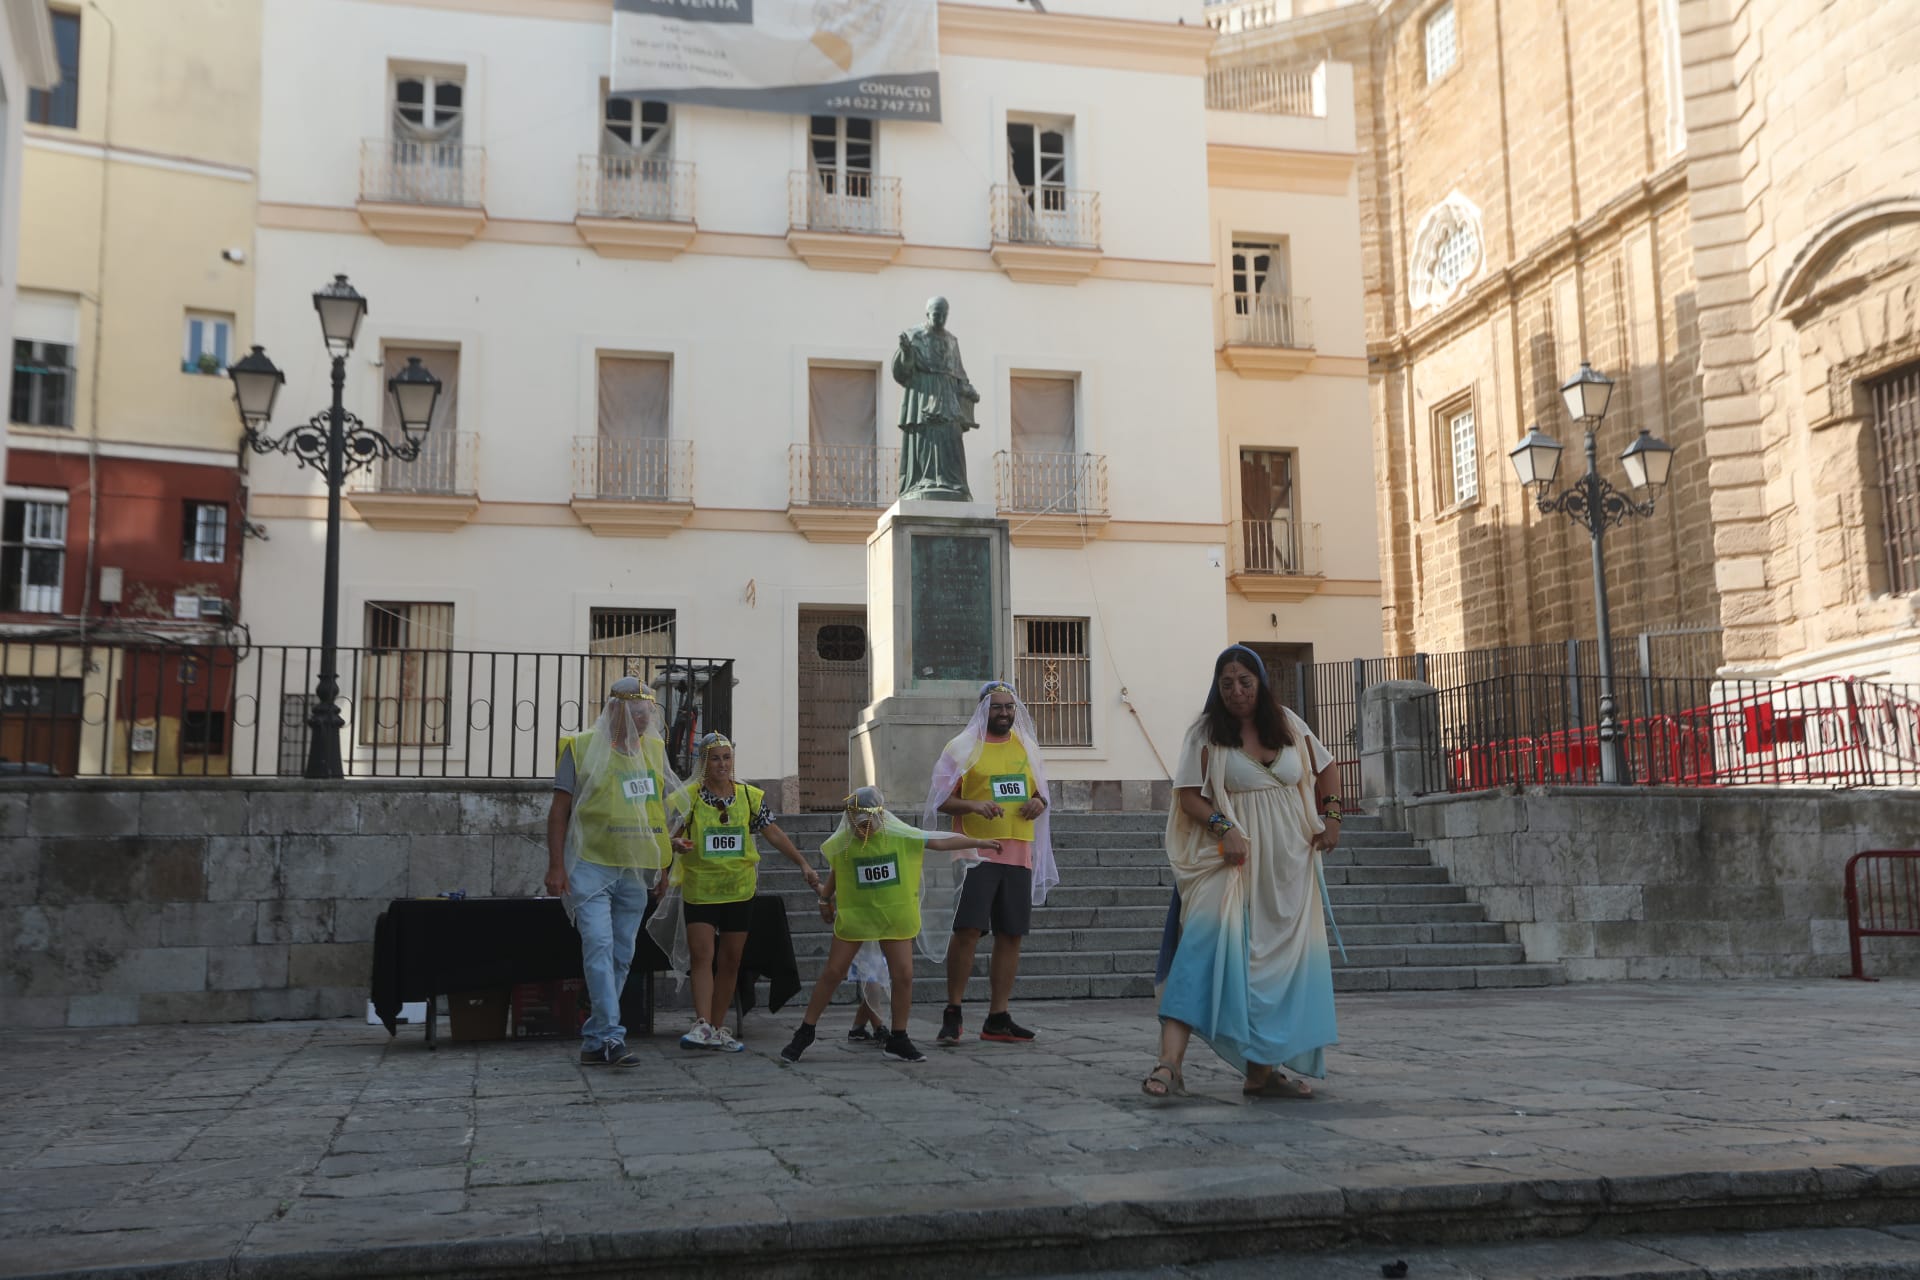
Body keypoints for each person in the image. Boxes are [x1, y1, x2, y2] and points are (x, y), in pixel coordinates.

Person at [1143, 645, 1343, 1101]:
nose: (1236, 691)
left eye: (1245, 682)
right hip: (1230, 863)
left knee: (1273, 971)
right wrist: (1224, 827)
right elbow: (1189, 795)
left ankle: (1260, 1072)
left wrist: (1332, 817)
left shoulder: (1289, 724)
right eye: (1227, 683)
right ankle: (1169, 1063)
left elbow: (1327, 768)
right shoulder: (1205, 733)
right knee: (1197, 952)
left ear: (1261, 683)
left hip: (1288, 869)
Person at [780, 788, 1001, 1065]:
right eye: (857, 824)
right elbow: (839, 871)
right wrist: (824, 899)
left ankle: (899, 1037)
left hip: (893, 917)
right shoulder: (845, 844)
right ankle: (805, 1031)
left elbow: (940, 840)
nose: (863, 830)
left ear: (880, 817)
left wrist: (979, 841)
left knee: (904, 974)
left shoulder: (901, 836)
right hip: (857, 916)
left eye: (867, 823)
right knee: (833, 972)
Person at [651, 732, 823, 1053]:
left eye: (726, 758)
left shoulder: (748, 796)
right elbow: (667, 836)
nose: (722, 764)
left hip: (739, 890)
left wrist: (802, 863)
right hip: (701, 889)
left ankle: (717, 1028)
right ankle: (702, 1024)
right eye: (715, 758)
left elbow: (773, 832)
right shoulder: (689, 798)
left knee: (731, 960)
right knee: (702, 956)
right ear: (704, 763)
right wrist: (672, 850)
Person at [545, 677, 677, 1068]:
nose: (643, 721)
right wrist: (556, 865)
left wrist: (664, 863)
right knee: (599, 945)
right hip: (590, 863)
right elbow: (559, 811)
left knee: (622, 953)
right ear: (615, 711)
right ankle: (612, 1037)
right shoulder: (581, 747)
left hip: (634, 866)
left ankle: (594, 1040)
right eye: (636, 714)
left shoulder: (653, 750)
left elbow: (657, 811)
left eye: (647, 714)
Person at [923, 681, 1059, 1046]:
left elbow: (1040, 793)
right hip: (975, 852)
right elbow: (940, 800)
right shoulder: (961, 747)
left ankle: (998, 1017)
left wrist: (1039, 803)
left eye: (1009, 707)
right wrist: (973, 805)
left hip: (1018, 850)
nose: (1004, 713)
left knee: (1011, 932)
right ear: (983, 710)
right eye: (996, 707)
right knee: (968, 930)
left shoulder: (1027, 746)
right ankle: (953, 1011)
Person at [892, 295, 980, 502]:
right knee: (926, 437)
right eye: (936, 315)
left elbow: (958, 373)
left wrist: (968, 390)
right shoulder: (914, 336)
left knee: (951, 437)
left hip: (948, 397)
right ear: (927, 314)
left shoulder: (952, 341)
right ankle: (923, 481)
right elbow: (903, 373)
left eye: (943, 316)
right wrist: (906, 352)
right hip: (924, 394)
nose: (940, 319)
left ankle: (952, 483)